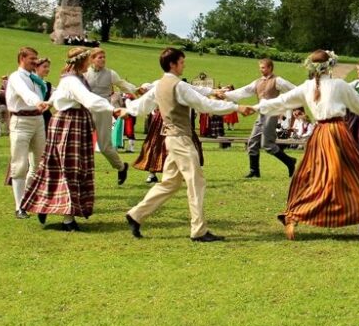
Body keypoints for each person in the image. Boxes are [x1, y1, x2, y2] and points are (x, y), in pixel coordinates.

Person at [254, 50, 359, 240]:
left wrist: (255, 108)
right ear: (330, 65)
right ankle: (294, 216)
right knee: (352, 175)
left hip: (321, 134)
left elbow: (281, 101)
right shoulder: (338, 85)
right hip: (337, 133)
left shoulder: (308, 86)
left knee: (316, 177)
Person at [124, 48, 253, 242]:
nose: (184, 65)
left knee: (170, 183)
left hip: (172, 139)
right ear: (172, 64)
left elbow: (140, 106)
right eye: (182, 62)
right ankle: (199, 230)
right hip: (181, 140)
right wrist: (237, 107)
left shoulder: (160, 85)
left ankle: (136, 214)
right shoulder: (178, 86)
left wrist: (125, 110)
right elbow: (205, 105)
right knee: (196, 183)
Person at [22, 47, 126, 231]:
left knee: (66, 167)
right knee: (70, 168)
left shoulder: (73, 78)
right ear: (82, 62)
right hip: (70, 123)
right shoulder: (72, 80)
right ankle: (66, 218)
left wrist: (50, 102)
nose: (91, 62)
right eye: (88, 59)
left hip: (74, 122)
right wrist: (113, 109)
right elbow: (89, 99)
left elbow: (59, 94)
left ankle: (48, 206)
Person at [225, 59, 298, 178]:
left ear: (270, 68)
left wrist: (293, 105)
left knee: (267, 144)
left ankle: (290, 162)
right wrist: (226, 95)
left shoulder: (278, 81)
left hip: (272, 114)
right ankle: (254, 171)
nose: (261, 69)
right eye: (260, 67)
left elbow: (294, 90)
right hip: (261, 114)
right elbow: (243, 91)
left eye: (263, 67)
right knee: (252, 142)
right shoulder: (257, 82)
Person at [6, 47, 50, 219]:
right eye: (32, 58)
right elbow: (26, 95)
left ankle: (33, 198)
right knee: (20, 164)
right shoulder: (16, 77)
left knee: (39, 162)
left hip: (38, 120)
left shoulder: (35, 78)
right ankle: (20, 206)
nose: (35, 61)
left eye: (36, 58)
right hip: (21, 121)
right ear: (22, 58)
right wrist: (37, 102)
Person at [85, 49, 139, 185]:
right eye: (99, 57)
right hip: (86, 111)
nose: (102, 59)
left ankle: (121, 167)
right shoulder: (84, 73)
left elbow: (123, 85)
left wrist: (136, 90)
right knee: (82, 144)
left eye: (104, 57)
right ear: (92, 59)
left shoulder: (111, 74)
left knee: (105, 147)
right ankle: (83, 174)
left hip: (104, 112)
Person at [34, 58, 53, 129]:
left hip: (45, 118)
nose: (47, 69)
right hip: (32, 116)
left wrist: (50, 104)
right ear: (36, 67)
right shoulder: (30, 82)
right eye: (44, 67)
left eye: (48, 67)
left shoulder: (48, 85)